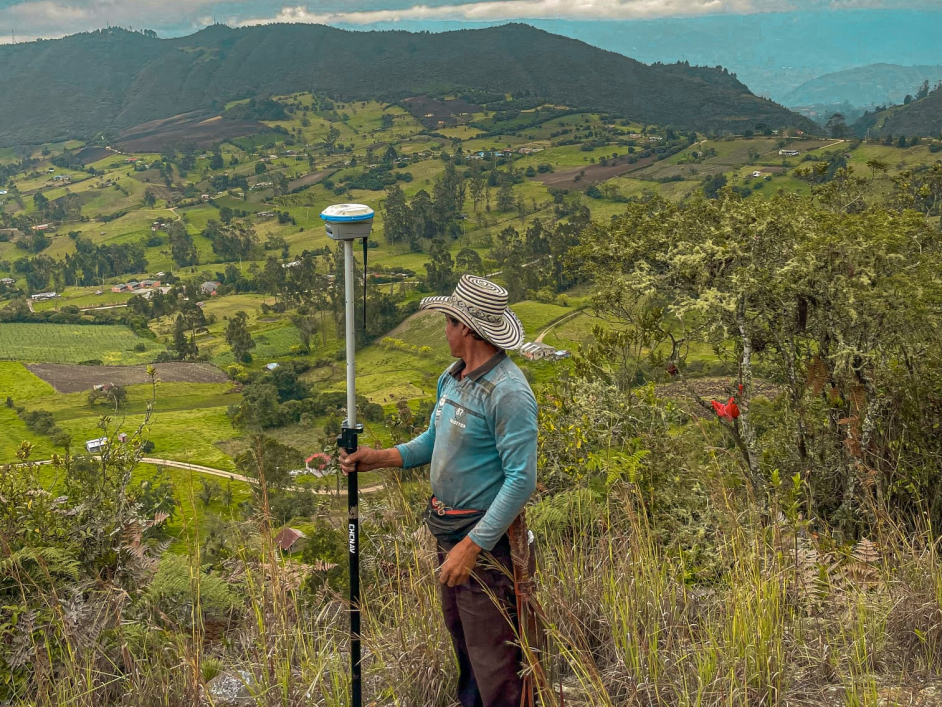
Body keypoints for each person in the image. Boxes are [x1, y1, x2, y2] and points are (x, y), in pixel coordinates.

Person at [340, 275, 538, 707]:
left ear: (464, 328)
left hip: (483, 544)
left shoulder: (508, 394)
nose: (442, 330)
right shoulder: (454, 378)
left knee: (494, 654)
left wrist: (472, 546)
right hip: (447, 532)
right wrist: (377, 457)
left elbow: (521, 479)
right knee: (465, 644)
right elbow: (433, 440)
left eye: (447, 321)